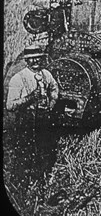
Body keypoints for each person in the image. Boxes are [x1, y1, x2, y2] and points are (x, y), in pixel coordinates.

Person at [5, 44, 60, 185]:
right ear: (26, 60)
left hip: (43, 119)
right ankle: (19, 184)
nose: (35, 62)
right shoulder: (18, 78)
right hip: (26, 120)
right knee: (24, 153)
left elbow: (54, 88)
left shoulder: (46, 74)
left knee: (44, 151)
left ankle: (40, 182)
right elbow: (10, 106)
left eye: (38, 58)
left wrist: (51, 103)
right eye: (31, 59)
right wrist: (30, 97)